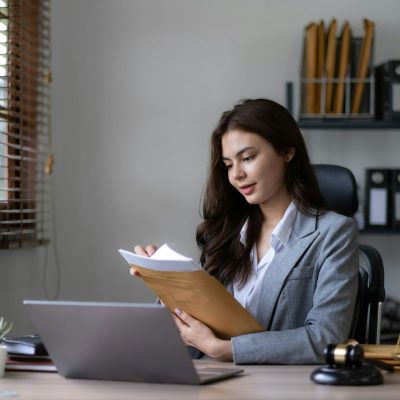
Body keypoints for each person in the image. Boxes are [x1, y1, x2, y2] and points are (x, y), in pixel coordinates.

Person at [132, 98, 358, 364]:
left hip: (284, 387)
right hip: (216, 381)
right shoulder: (227, 232)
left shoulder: (334, 232)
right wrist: (168, 284)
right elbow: (202, 335)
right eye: (228, 164)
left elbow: (326, 337)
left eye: (248, 158)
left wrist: (227, 350)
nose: (236, 175)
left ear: (287, 151)